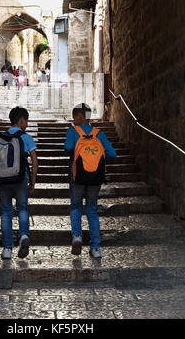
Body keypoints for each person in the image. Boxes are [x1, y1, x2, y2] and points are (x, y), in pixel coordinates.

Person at [64, 103, 116, 258]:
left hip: (77, 176)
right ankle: (95, 248)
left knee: (75, 206)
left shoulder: (73, 131)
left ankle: (77, 236)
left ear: (79, 117)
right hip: (95, 178)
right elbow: (112, 153)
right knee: (92, 209)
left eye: (75, 117)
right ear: (89, 117)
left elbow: (67, 147)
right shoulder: (99, 133)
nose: (74, 120)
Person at [0, 107, 38, 260]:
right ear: (21, 120)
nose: (27, 124)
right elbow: (35, 161)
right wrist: (32, 182)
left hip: (3, 180)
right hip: (20, 179)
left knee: (6, 212)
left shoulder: (1, 137)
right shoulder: (26, 137)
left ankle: (7, 248)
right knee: (22, 208)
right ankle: (23, 236)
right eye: (26, 120)